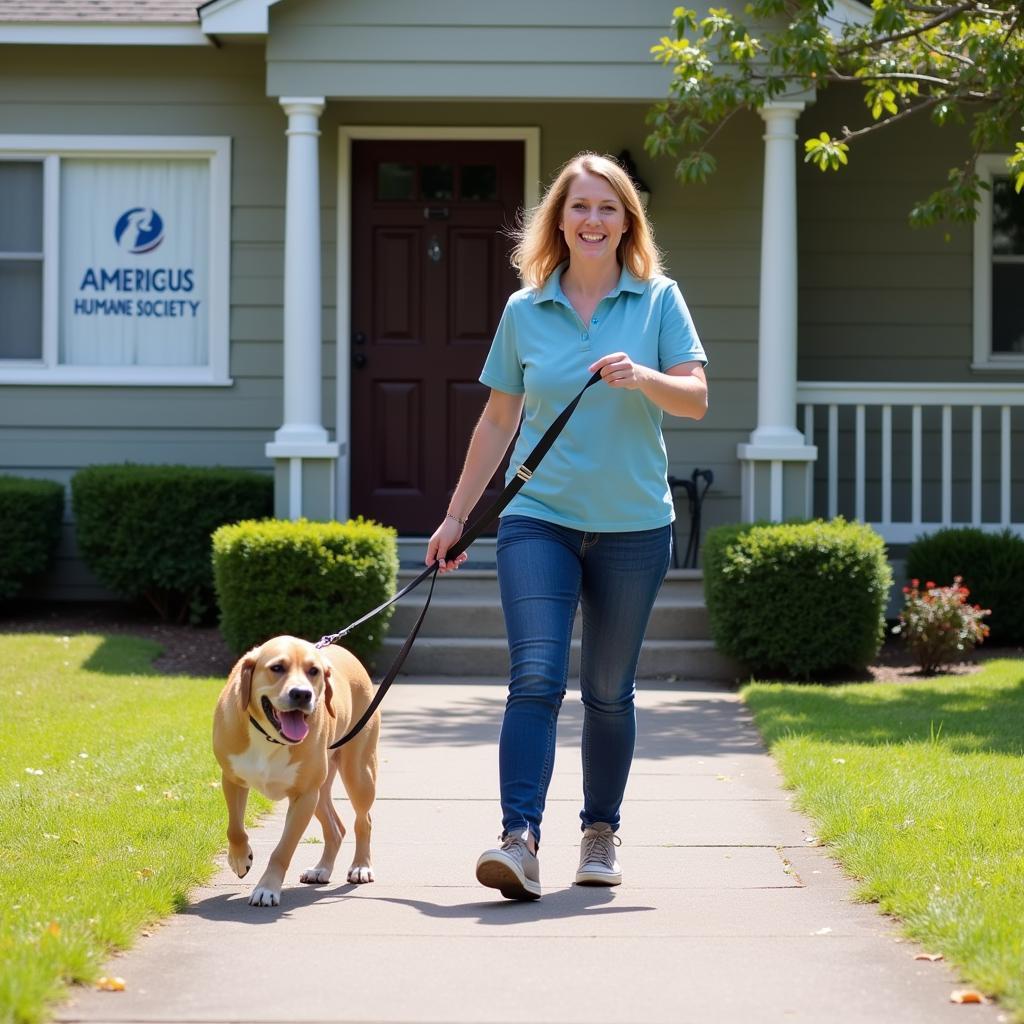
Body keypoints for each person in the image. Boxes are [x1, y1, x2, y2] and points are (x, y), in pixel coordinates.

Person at [426, 151, 708, 901]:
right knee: (536, 678)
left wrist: (644, 377)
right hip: (536, 521)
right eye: (579, 207)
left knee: (610, 692)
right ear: (559, 220)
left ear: (626, 222)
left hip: (633, 526)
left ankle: (600, 832)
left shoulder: (657, 301)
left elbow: (696, 398)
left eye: (607, 208)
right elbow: (496, 420)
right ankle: (519, 839)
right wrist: (457, 516)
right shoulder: (526, 310)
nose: (592, 220)